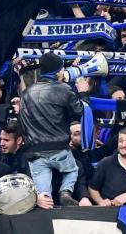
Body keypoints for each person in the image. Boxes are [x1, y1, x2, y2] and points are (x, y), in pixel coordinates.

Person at [18, 53, 88, 208]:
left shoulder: (27, 92)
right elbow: (80, 112)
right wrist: (83, 93)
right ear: (58, 72)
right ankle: (65, 192)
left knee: (44, 199)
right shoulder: (63, 89)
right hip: (60, 150)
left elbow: (21, 123)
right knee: (73, 170)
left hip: (35, 152)